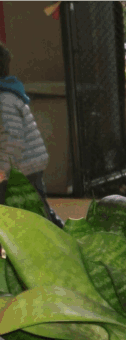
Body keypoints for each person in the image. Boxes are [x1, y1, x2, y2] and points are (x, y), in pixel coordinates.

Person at [0, 42, 62, 227]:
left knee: (35, 215)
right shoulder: (7, 95)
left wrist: (3, 170)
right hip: (20, 168)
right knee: (38, 213)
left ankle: (65, 243)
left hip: (23, 169)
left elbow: (12, 138)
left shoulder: (4, 100)